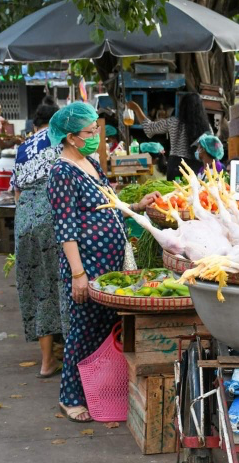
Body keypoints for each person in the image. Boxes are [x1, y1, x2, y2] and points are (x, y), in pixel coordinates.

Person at [47, 102, 160, 422]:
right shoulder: (62, 172)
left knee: (104, 328)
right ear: (70, 137)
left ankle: (99, 388)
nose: (96, 135)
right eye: (89, 132)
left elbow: (109, 203)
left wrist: (137, 204)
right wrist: (78, 274)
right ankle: (70, 397)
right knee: (83, 329)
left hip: (109, 263)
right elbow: (65, 228)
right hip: (87, 264)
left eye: (95, 129)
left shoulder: (90, 163)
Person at [11, 103, 65, 378]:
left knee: (39, 289)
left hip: (24, 223)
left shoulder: (23, 148)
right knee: (64, 282)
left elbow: (17, 193)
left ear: (35, 124)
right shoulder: (62, 139)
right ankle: (71, 352)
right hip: (53, 219)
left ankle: (46, 362)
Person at [127, 93, 211, 180]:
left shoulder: (173, 122)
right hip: (196, 167)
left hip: (176, 166)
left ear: (182, 107)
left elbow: (149, 128)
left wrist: (136, 108)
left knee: (175, 193)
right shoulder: (205, 127)